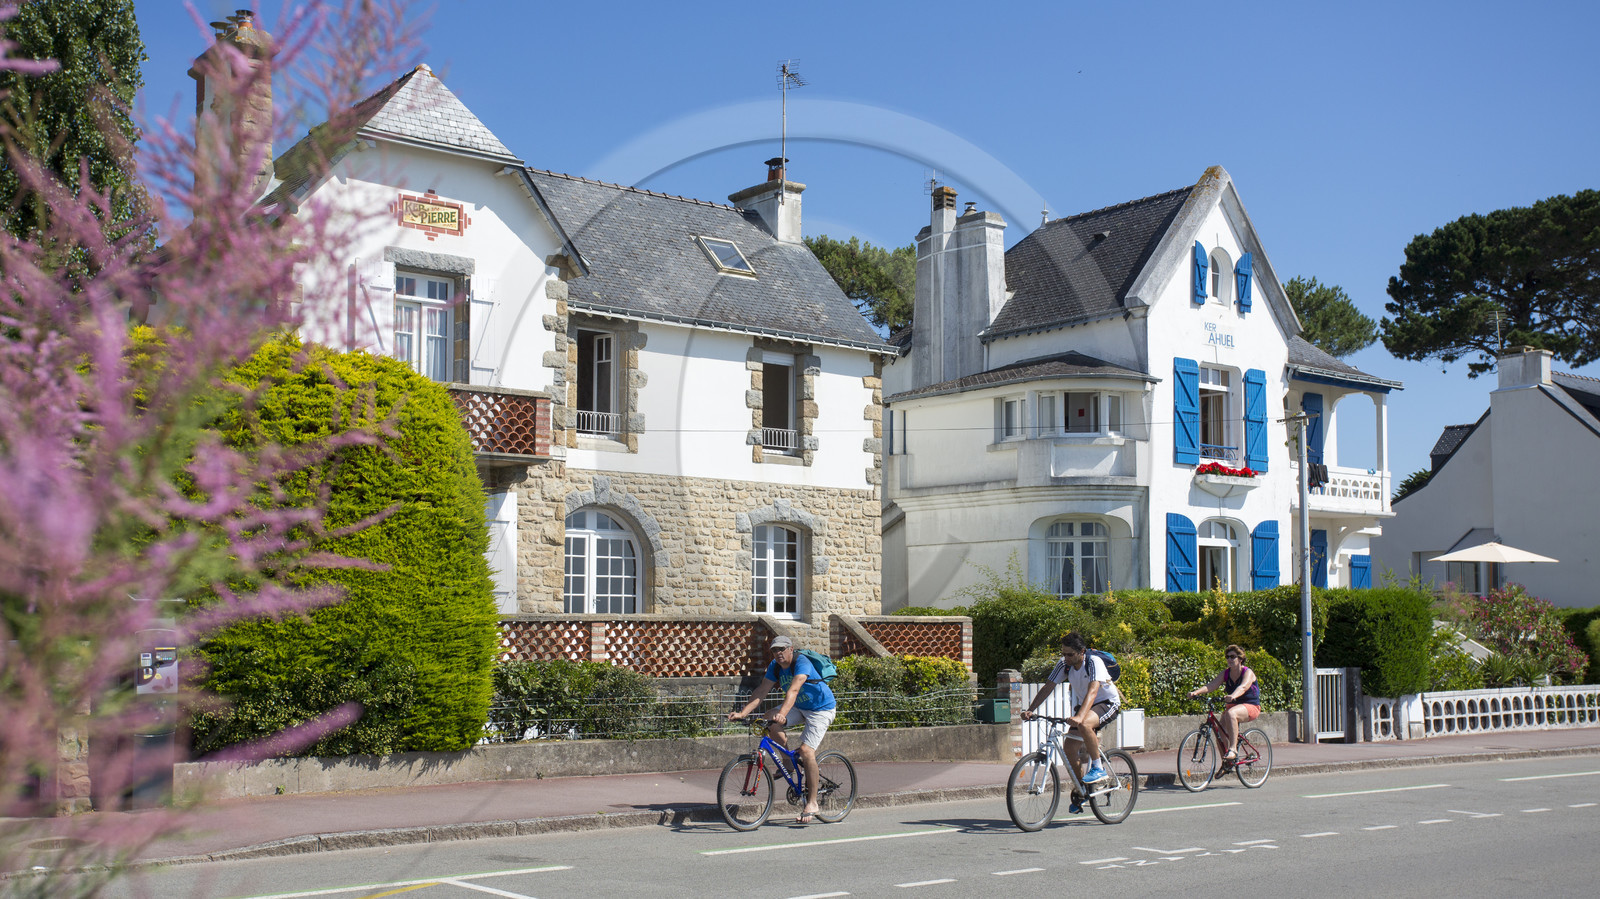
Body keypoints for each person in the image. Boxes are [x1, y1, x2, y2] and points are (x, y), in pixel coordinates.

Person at [729, 634, 837, 823]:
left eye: (781, 649)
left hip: (821, 709)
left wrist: (783, 714)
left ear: (790, 649)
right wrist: (743, 713)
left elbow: (793, 690)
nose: (778, 653)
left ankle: (812, 803)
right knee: (768, 718)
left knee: (806, 751)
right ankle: (788, 763)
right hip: (800, 707)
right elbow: (762, 690)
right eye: (774, 650)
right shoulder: (775, 666)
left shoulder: (801, 662)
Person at [1018, 632, 1121, 813]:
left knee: (1085, 724)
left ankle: (1098, 768)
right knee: (1069, 749)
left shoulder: (1093, 662)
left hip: (1106, 703)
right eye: (1063, 654)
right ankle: (1082, 789)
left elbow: (1093, 691)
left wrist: (1081, 717)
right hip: (1086, 706)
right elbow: (1048, 686)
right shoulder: (1064, 665)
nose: (1065, 658)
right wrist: (1031, 709)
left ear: (1082, 652)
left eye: (1069, 654)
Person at [1188, 644, 1260, 765]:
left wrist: (1233, 696)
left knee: (1231, 713)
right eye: (1227, 657)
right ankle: (1226, 764)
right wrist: (1196, 692)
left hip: (1250, 706)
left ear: (1240, 659)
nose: (1229, 659)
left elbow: (1243, 687)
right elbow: (1212, 685)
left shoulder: (1248, 672)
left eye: (1232, 657)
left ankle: (1233, 749)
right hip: (1234, 706)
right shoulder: (1226, 673)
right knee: (1220, 732)